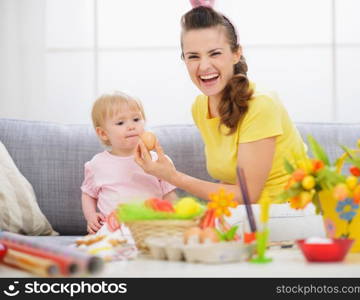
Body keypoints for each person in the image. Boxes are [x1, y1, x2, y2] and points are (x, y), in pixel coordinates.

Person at [135, 3, 306, 205]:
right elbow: (230, 180)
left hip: (289, 213)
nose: (204, 66)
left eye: (215, 53)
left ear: (236, 53)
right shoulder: (200, 107)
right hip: (245, 216)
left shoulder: (260, 105)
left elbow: (247, 194)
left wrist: (173, 176)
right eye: (193, 56)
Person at [81, 92, 177, 234]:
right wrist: (91, 216)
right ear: (103, 133)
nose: (131, 126)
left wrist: (172, 219)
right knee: (98, 244)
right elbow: (88, 194)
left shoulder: (157, 160)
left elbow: (169, 194)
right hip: (112, 228)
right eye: (120, 123)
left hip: (150, 227)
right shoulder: (97, 164)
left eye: (136, 119)